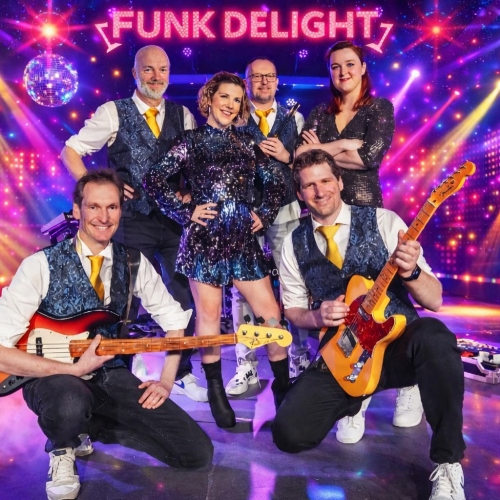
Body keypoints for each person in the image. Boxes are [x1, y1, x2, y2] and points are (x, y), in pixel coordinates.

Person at [0, 170, 213, 500]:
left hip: (108, 373)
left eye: (112, 207)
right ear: (77, 210)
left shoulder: (133, 262)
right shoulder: (39, 265)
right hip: (51, 378)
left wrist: (166, 381)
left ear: (121, 211)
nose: (103, 217)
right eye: (94, 207)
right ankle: (62, 446)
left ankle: (89, 424)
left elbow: (175, 321)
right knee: (69, 399)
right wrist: (73, 369)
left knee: (196, 454)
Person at [273, 150, 466, 500]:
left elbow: (435, 300)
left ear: (340, 181)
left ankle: (448, 462)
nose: (320, 191)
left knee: (436, 338)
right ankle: (355, 397)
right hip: (344, 353)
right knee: (289, 434)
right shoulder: (292, 243)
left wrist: (412, 271)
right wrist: (316, 316)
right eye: (310, 185)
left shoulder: (385, 221)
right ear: (299, 193)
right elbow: (293, 310)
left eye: (326, 180)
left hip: (395, 344)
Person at [61, 45, 206, 402]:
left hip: (173, 223)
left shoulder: (183, 115)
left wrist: (189, 191)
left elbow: (192, 165)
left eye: (163, 69)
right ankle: (117, 374)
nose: (156, 77)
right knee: (123, 301)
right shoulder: (114, 112)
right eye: (148, 70)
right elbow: (71, 151)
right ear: (135, 73)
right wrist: (97, 189)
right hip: (131, 221)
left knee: (182, 296)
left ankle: (181, 371)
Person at [144, 71, 289, 429]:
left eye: (237, 100)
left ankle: (285, 390)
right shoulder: (190, 141)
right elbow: (153, 178)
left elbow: (276, 184)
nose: (231, 104)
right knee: (208, 318)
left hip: (241, 239)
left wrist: (264, 214)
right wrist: (185, 212)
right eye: (225, 96)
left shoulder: (248, 142)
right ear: (209, 98)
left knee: (270, 315)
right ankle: (215, 391)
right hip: (203, 239)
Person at [297, 41, 423, 442]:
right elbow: (306, 161)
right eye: (335, 67)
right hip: (326, 213)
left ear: (363, 67)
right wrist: (341, 148)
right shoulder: (319, 113)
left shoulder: (378, 108)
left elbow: (369, 157)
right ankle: (357, 391)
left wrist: (324, 149)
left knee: (386, 297)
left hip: (366, 210)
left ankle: (409, 381)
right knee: (342, 301)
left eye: (350, 64)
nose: (343, 72)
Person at [226, 57, 309, 398]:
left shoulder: (295, 118)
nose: (263, 82)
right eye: (256, 76)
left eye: (269, 76)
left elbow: (306, 165)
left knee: (292, 283)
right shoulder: (232, 115)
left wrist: (287, 156)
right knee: (242, 290)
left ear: (277, 81)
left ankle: (298, 356)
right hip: (245, 213)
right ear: (245, 82)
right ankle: (246, 364)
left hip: (285, 210)